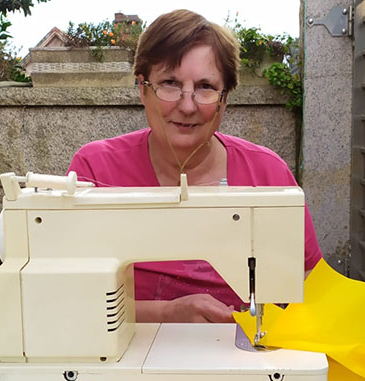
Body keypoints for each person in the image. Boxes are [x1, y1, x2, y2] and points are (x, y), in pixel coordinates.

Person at [67, 9, 322, 323]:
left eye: (205, 87)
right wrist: (169, 313)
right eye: (170, 83)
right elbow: (73, 299)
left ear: (224, 100)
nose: (187, 106)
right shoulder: (96, 171)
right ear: (142, 89)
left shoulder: (268, 175)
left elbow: (313, 289)